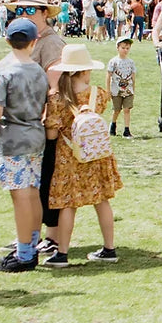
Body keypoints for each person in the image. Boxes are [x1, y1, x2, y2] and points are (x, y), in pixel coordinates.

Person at [43, 45, 122, 266]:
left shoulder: (58, 98)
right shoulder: (98, 94)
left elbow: (51, 131)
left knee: (68, 204)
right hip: (97, 154)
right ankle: (109, 248)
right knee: (102, 200)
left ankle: (62, 253)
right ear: (86, 70)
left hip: (70, 154)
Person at [0, 19, 50, 273]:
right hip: (36, 134)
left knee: (20, 196)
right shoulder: (38, 70)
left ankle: (24, 253)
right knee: (32, 192)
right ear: (34, 42)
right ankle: (31, 244)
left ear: (7, 40)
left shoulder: (4, 70)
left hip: (13, 139)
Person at [107, 36, 137, 138]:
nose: (125, 50)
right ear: (118, 48)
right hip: (116, 90)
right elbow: (108, 75)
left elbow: (133, 76)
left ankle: (127, 129)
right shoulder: (113, 62)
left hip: (128, 90)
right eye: (123, 48)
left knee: (127, 109)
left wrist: (133, 89)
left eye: (127, 48)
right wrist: (108, 90)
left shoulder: (131, 62)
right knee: (116, 110)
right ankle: (113, 124)